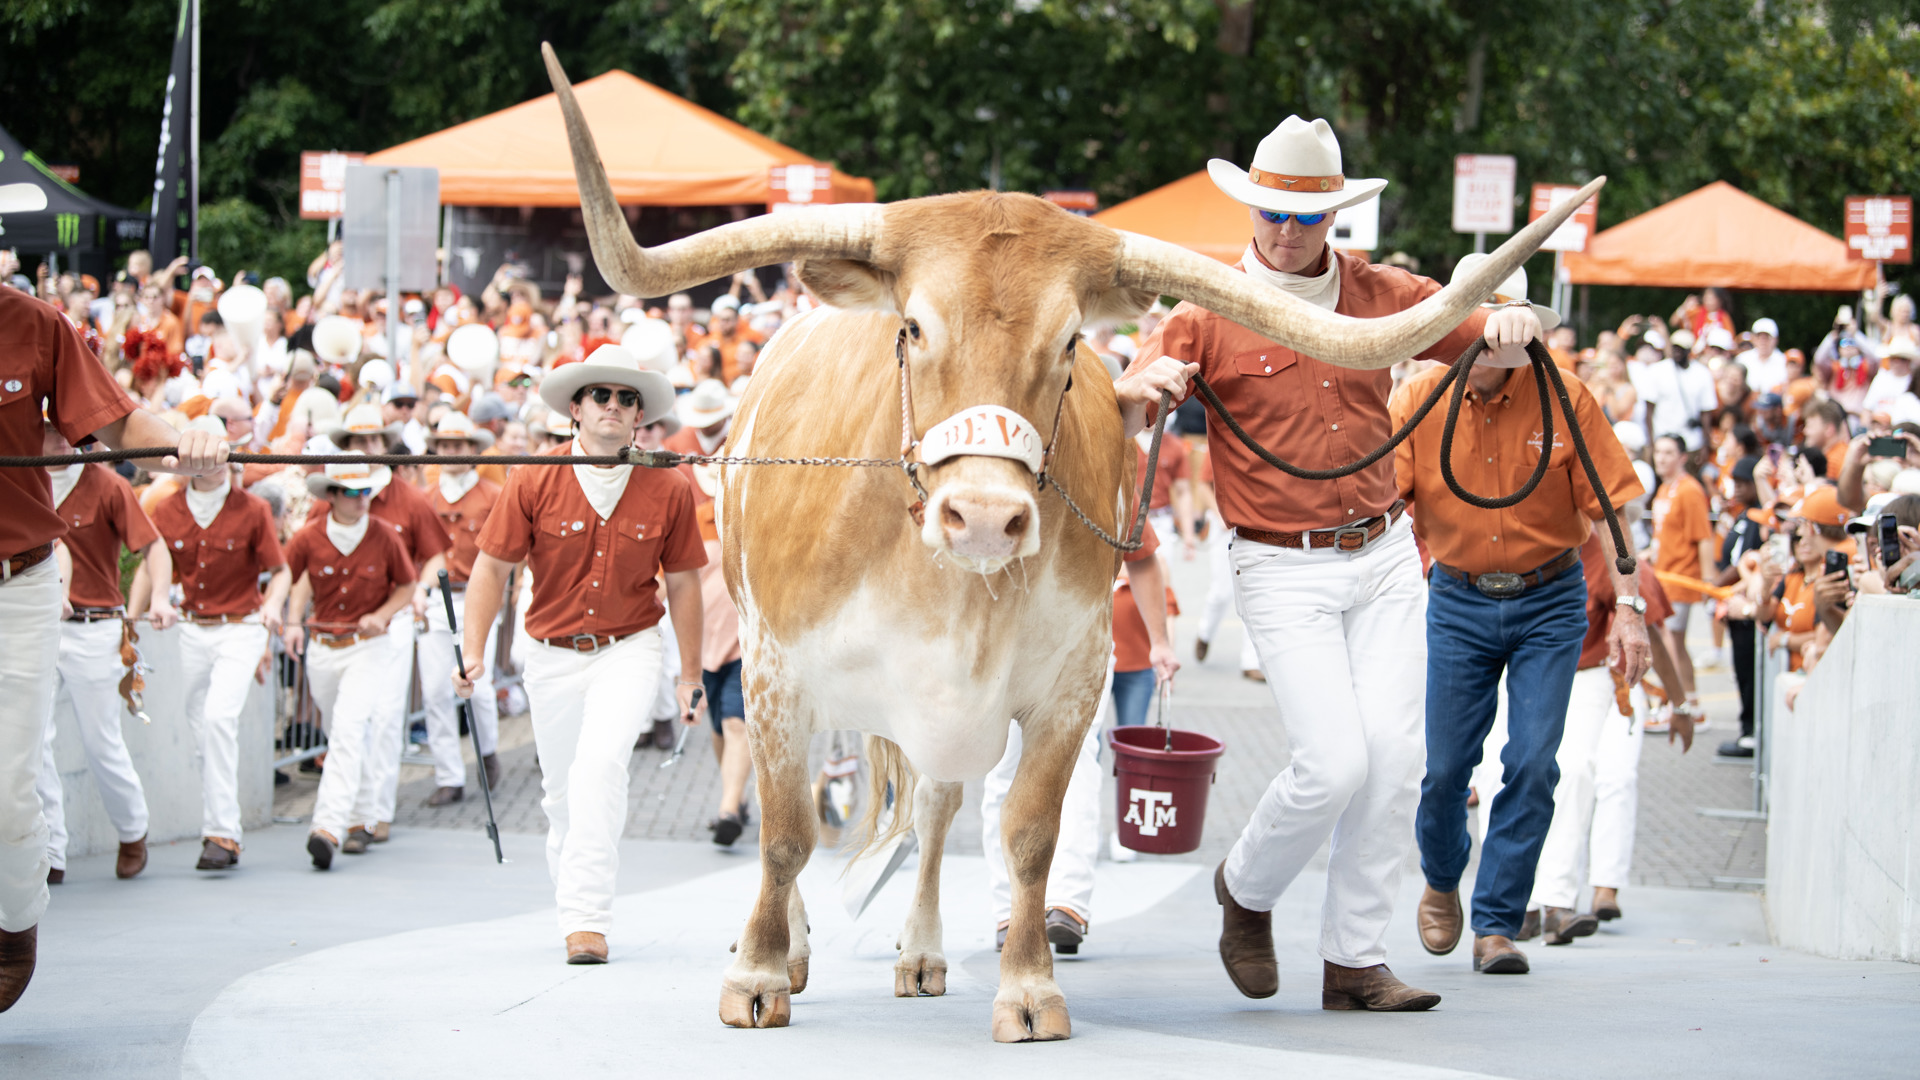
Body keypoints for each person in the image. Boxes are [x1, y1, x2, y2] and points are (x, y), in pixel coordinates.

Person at [1115, 114, 1503, 1011]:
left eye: (1307, 218)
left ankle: (1354, 962)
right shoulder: (1202, 304)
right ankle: (1245, 893)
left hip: (1383, 553)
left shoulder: (1382, 291)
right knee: (1334, 761)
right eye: (1273, 215)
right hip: (1278, 564)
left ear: (1336, 218)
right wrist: (1144, 387)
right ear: (1250, 209)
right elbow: (1135, 394)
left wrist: (1511, 323)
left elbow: (1476, 326)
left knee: (1395, 756)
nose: (1287, 233)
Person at [1390, 255, 1647, 976]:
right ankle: (1443, 881)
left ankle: (1498, 922)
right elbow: (1384, 507)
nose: (1472, 348)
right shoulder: (1417, 399)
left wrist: (1630, 609)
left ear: (1520, 336)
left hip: (1550, 598)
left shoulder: (1567, 397)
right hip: (1459, 598)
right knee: (1444, 770)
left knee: (1533, 764)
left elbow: (1613, 511)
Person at [0, 279, 226, 1013]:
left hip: (18, 585)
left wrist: (187, 437)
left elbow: (122, 424)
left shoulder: (33, 323)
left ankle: (12, 929)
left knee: (9, 790)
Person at [457, 345, 705, 965]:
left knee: (600, 769)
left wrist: (691, 675)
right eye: (603, 394)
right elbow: (491, 571)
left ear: (640, 415)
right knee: (561, 796)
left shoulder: (669, 485)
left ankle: (586, 919)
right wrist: (472, 651)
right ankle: (575, 899)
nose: (615, 406)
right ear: (575, 407)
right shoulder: (532, 477)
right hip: (548, 655)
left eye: (628, 398)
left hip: (631, 648)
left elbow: (683, 584)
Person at [1474, 530, 1684, 941]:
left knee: (1578, 774)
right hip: (1510, 670)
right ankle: (1515, 904)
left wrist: (1682, 704)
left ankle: (1558, 902)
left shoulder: (1605, 550)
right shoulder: (1509, 532)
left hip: (1590, 676)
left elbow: (1651, 630)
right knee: (1497, 777)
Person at [982, 519, 1176, 951]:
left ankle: (1062, 903)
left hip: (1080, 634)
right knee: (1006, 766)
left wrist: (1159, 642)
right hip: (1006, 635)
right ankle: (1015, 908)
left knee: (1071, 762)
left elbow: (1141, 555)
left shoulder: (1116, 455)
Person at [136, 418, 290, 870]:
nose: (217, 459)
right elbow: (150, 562)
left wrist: (273, 607)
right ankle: (222, 828)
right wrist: (146, 608)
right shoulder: (165, 510)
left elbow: (278, 572)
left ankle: (222, 834)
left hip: (240, 626)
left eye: (225, 449)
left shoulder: (254, 509)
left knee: (220, 718)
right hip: (188, 629)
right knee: (201, 731)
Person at [35, 421, 176, 884]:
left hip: (93, 627)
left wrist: (159, 598)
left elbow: (153, 547)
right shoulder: (21, 481)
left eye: (65, 429)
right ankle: (50, 851)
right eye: (47, 427)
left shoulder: (108, 485)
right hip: (35, 625)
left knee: (101, 742)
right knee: (33, 743)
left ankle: (133, 831)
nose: (57, 437)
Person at [312, 402, 452, 843]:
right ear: (346, 447)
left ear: (384, 443)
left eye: (373, 440)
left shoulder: (408, 498)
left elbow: (436, 556)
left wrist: (423, 592)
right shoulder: (333, 496)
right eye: (357, 441)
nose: (366, 448)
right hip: (338, 628)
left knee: (387, 715)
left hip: (391, 621)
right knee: (346, 722)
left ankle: (373, 813)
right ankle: (353, 807)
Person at [284, 456, 420, 868]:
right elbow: (291, 579)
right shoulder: (309, 537)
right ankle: (363, 817)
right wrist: (291, 621)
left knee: (347, 730)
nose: (361, 500)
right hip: (324, 646)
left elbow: (408, 583)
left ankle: (327, 825)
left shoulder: (383, 534)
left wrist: (382, 615)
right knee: (339, 731)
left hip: (367, 645)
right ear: (331, 496)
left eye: (366, 492)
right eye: (351, 492)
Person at [418, 412, 503, 807]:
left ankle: (488, 753)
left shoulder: (492, 495)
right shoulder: (426, 498)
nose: (452, 453)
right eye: (445, 446)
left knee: (479, 686)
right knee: (435, 689)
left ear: (473, 451)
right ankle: (449, 775)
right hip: (437, 596)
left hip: (477, 594)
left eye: (459, 446)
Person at [1648, 434, 1713, 712]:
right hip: (1662, 575)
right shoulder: (1665, 489)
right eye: (1658, 452)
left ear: (1682, 457)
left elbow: (1704, 537)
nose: (1661, 458)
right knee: (1673, 641)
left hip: (1680, 576)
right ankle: (1689, 701)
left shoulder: (1690, 490)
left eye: (1668, 452)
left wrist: (1708, 581)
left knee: (1670, 641)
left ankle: (1679, 703)